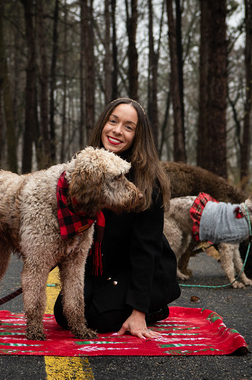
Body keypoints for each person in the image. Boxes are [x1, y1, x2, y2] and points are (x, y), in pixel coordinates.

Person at [54, 98, 181, 339]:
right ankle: (108, 297)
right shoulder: (85, 168)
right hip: (102, 268)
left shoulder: (146, 181)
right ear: (103, 123)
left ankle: (155, 307)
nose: (117, 131)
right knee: (64, 314)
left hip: (142, 270)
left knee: (98, 318)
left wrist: (139, 312)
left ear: (138, 136)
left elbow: (146, 250)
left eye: (128, 126)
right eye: (113, 121)